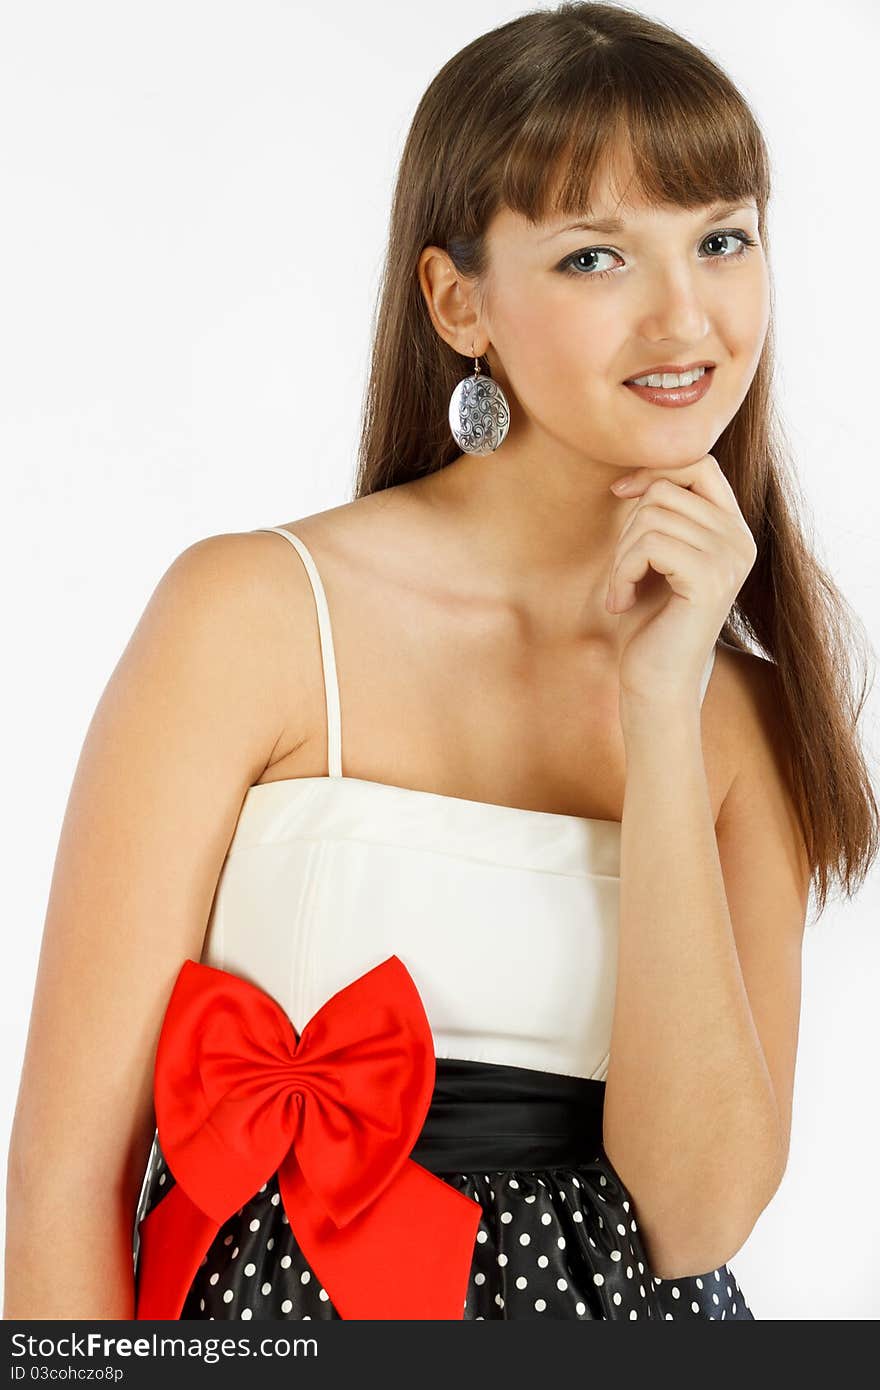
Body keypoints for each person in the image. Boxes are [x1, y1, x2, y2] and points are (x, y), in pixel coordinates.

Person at [6, 1, 877, 1322]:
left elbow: (695, 1213)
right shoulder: (250, 615)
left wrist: (660, 707)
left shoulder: (740, 711)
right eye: (596, 258)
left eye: (722, 239)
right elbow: (64, 1176)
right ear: (457, 300)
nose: (686, 314)